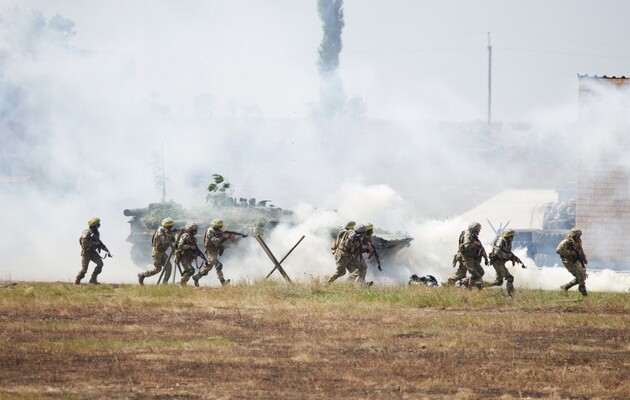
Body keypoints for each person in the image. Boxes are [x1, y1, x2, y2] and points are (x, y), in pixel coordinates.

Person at [193, 219, 233, 286]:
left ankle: (196, 277)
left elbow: (221, 241)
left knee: (209, 267)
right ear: (216, 226)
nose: (221, 228)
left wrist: (228, 237)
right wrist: (222, 236)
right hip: (210, 251)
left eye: (221, 226)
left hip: (214, 251)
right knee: (218, 265)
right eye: (220, 226)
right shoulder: (210, 231)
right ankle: (223, 281)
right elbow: (215, 240)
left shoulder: (218, 231)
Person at [486, 229, 525, 296]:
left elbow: (508, 252)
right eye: (511, 236)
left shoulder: (507, 242)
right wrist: (509, 256)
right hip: (497, 262)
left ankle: (479, 284)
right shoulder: (501, 240)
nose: (512, 238)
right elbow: (497, 252)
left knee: (499, 282)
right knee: (510, 278)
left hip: (500, 262)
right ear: (507, 236)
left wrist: (515, 258)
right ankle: (511, 295)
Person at [138, 218, 176, 286]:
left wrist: (173, 235)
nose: (170, 228)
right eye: (169, 227)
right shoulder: (160, 230)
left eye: (171, 226)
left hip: (162, 252)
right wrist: (171, 235)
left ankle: (165, 283)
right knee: (157, 269)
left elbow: (171, 239)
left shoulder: (165, 230)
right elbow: (164, 240)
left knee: (169, 267)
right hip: (156, 253)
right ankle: (142, 275)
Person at [76, 217, 110, 285]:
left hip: (92, 252)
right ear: (94, 225)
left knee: (100, 264)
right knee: (84, 270)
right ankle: (77, 281)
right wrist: (94, 243)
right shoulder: (87, 232)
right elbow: (84, 243)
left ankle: (93, 279)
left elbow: (99, 241)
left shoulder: (96, 232)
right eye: (98, 224)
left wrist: (105, 249)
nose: (99, 225)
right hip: (86, 253)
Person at [556, 227, 589, 296]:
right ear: (573, 235)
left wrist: (584, 258)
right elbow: (558, 250)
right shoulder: (566, 242)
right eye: (578, 236)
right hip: (568, 261)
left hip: (576, 260)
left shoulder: (578, 241)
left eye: (579, 236)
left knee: (583, 276)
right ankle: (583, 289)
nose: (579, 237)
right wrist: (570, 252)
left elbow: (581, 250)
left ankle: (565, 287)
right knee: (580, 274)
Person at [458, 222, 488, 289]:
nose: (479, 231)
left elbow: (481, 248)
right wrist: (475, 244)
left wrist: (485, 258)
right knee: (474, 274)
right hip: (467, 257)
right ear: (475, 229)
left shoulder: (474, 236)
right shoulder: (468, 235)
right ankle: (466, 285)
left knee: (481, 272)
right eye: (479, 229)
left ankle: (468, 284)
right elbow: (467, 246)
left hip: (473, 257)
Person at [175, 222, 205, 286]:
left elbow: (195, 248)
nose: (196, 232)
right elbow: (180, 246)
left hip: (188, 257)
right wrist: (189, 246)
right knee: (191, 270)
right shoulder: (185, 236)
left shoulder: (191, 237)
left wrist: (200, 254)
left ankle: (182, 283)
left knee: (188, 271)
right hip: (183, 256)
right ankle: (181, 283)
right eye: (195, 230)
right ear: (191, 230)